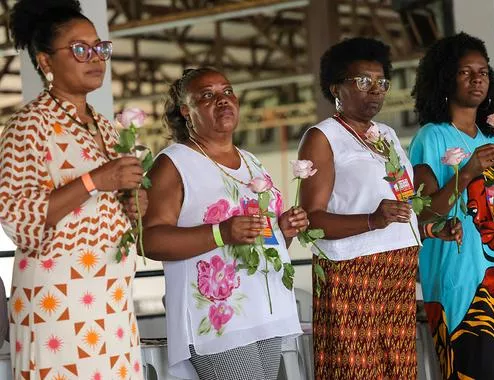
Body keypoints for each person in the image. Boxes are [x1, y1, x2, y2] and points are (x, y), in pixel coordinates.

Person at [297, 37, 462, 379]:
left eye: (381, 82)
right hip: (352, 275)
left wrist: (432, 229)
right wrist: (372, 220)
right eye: (362, 81)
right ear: (336, 88)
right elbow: (311, 219)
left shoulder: (385, 134)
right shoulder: (322, 137)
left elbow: (401, 207)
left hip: (396, 274)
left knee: (398, 372)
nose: (375, 90)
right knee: (355, 372)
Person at [1, 0, 147, 378]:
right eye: (80, 49)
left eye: (100, 48)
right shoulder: (28, 127)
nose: (95, 58)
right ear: (46, 62)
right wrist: (95, 180)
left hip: (111, 297)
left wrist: (135, 203)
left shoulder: (108, 127)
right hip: (58, 301)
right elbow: (17, 217)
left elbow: (116, 206)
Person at [142, 67, 305, 380]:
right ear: (186, 111)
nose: (222, 100)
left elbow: (261, 241)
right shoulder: (173, 163)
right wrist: (221, 232)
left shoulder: (251, 161)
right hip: (218, 317)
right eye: (207, 95)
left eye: (227, 91)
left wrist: (284, 231)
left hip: (262, 306)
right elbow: (150, 240)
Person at [409, 32, 494, 379]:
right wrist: (468, 170)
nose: (477, 79)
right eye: (465, 72)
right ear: (444, 77)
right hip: (463, 280)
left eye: (483, 72)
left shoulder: (493, 137)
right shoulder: (431, 136)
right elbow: (425, 213)